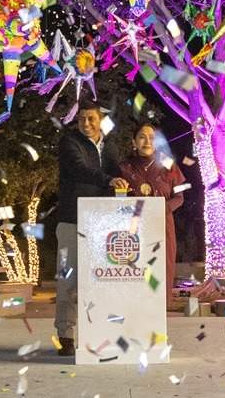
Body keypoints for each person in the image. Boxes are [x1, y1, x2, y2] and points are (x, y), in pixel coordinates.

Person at [54, 99, 127, 356]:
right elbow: (79, 170)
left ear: (99, 120)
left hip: (100, 225)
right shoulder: (69, 143)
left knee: (99, 282)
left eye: (91, 119)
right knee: (68, 281)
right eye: (82, 119)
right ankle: (65, 334)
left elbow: (122, 172)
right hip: (71, 221)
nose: (86, 124)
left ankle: (100, 333)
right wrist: (110, 180)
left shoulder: (109, 146)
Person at [119, 123, 186, 309]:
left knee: (161, 271)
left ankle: (159, 321)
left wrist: (162, 209)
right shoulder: (125, 166)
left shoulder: (168, 163)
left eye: (151, 137)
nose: (147, 141)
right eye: (142, 136)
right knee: (135, 271)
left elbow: (180, 197)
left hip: (162, 226)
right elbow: (117, 199)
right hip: (134, 230)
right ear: (134, 142)